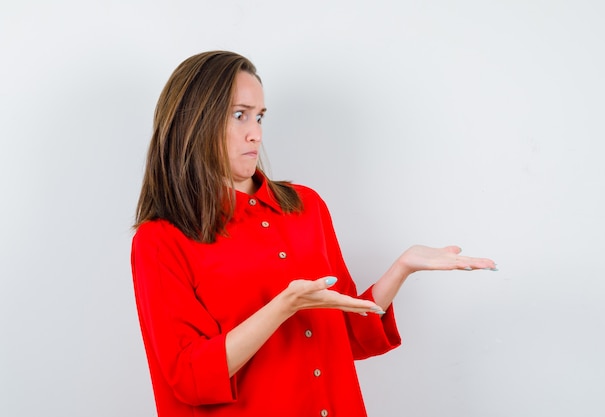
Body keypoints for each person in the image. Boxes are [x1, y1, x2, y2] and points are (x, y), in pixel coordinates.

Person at [131, 50, 496, 417]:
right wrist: (282, 308)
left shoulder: (306, 206)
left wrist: (402, 268)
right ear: (194, 120)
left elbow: (348, 334)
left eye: (259, 117)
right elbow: (189, 378)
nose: (255, 133)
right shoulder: (159, 239)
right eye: (239, 115)